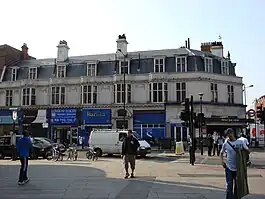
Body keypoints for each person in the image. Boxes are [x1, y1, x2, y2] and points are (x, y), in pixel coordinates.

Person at [220, 128, 249, 199]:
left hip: (238, 168)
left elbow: (248, 151)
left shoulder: (240, 142)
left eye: (230, 133)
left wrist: (242, 150)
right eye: (228, 134)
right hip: (229, 167)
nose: (229, 135)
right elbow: (221, 152)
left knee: (237, 185)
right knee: (229, 186)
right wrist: (222, 161)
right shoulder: (226, 143)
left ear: (233, 133)